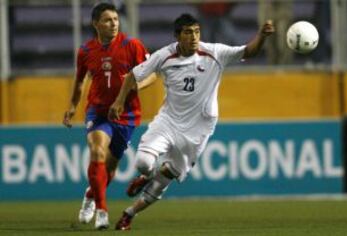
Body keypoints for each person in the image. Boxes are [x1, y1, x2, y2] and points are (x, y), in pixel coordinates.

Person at [109, 13, 274, 231]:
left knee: (164, 181)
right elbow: (133, 75)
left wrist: (261, 36)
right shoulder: (164, 56)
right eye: (188, 32)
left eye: (197, 31)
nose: (194, 37)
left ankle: (129, 214)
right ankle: (145, 175)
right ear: (177, 36)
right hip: (168, 121)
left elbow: (248, 51)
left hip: (200, 127)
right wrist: (119, 101)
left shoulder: (214, 53)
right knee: (143, 163)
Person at [62, 2, 156, 230]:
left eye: (115, 19)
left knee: (110, 169)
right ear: (96, 24)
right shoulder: (85, 51)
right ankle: (101, 212)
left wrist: (133, 87)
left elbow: (152, 75)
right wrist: (74, 106)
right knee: (97, 151)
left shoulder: (132, 45)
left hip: (127, 115)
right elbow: (79, 81)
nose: (113, 23)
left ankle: (90, 194)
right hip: (98, 111)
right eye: (107, 20)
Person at [257, 0, 293, 64]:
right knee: (270, 45)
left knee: (283, 43)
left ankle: (285, 69)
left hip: (283, 7)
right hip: (266, 7)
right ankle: (272, 69)